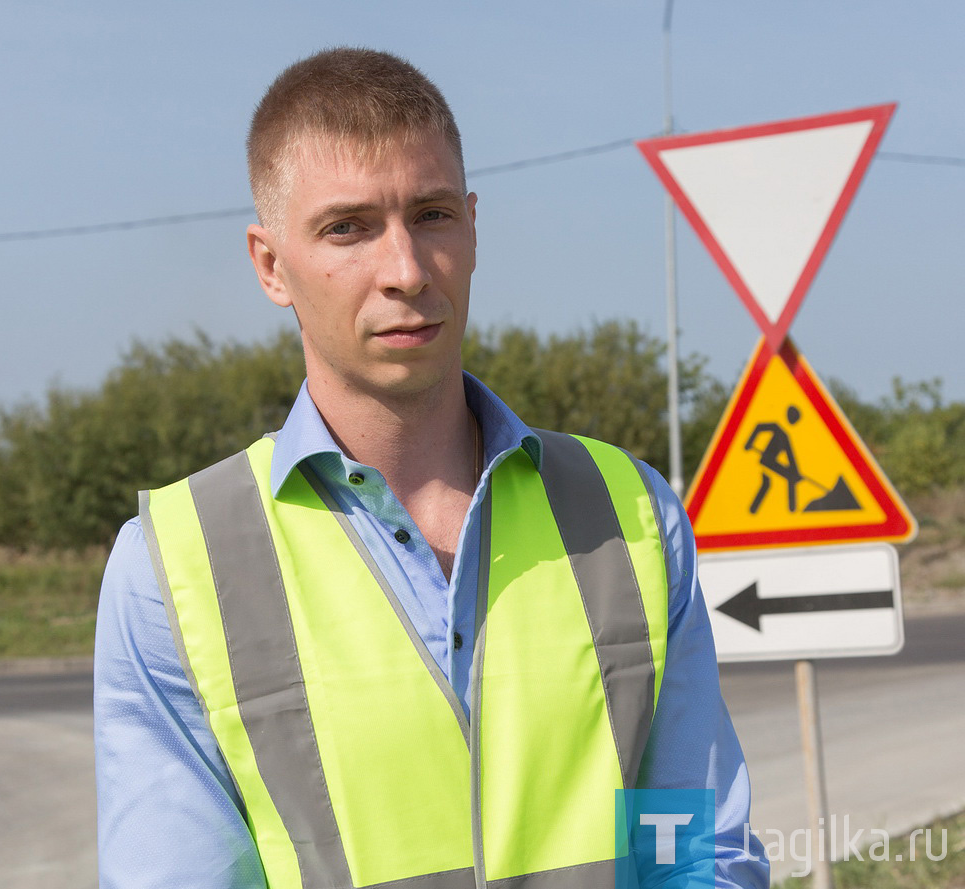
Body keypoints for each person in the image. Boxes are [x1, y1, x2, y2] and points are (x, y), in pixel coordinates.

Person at [94, 47, 769, 889]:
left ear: (475, 226)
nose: (407, 270)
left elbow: (693, 857)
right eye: (348, 228)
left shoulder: (630, 512)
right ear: (272, 264)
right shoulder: (172, 570)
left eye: (433, 214)